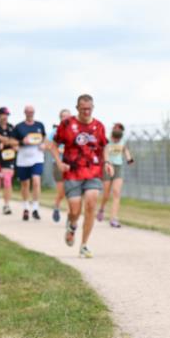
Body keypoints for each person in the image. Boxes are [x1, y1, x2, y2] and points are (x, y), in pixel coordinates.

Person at [48, 94, 109, 258]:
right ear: (77, 108)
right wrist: (59, 162)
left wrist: (107, 162)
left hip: (93, 171)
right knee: (75, 210)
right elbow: (53, 145)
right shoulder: (67, 124)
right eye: (83, 109)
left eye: (89, 109)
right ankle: (72, 225)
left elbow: (104, 146)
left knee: (90, 204)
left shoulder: (99, 126)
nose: (86, 112)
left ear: (93, 108)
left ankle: (84, 245)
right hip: (72, 172)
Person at [12, 105, 48, 221]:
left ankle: (36, 208)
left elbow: (44, 138)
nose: (30, 113)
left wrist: (44, 144)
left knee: (36, 181)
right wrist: (22, 142)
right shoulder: (19, 127)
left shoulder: (39, 125)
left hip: (37, 157)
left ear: (34, 112)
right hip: (23, 158)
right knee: (25, 184)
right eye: (28, 112)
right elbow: (13, 142)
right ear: (24, 113)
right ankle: (26, 207)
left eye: (32, 112)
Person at [97, 122, 134, 227]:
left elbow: (125, 151)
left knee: (116, 192)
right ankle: (101, 209)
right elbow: (105, 154)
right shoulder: (107, 141)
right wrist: (108, 164)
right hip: (108, 167)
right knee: (106, 194)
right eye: (115, 139)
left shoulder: (122, 140)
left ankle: (114, 218)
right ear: (112, 135)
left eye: (118, 139)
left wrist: (129, 159)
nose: (116, 141)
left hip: (118, 167)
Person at [50, 108, 72, 223]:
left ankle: (70, 216)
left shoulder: (74, 130)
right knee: (62, 192)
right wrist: (60, 151)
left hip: (72, 165)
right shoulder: (55, 132)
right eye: (63, 116)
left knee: (71, 191)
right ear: (60, 118)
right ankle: (57, 207)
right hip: (58, 164)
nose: (65, 118)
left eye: (67, 116)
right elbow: (49, 146)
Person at [0, 106, 17, 215]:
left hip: (9, 158)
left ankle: (6, 205)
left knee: (7, 180)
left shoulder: (11, 128)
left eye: (7, 115)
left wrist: (7, 143)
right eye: (3, 114)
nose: (5, 117)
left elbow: (15, 143)